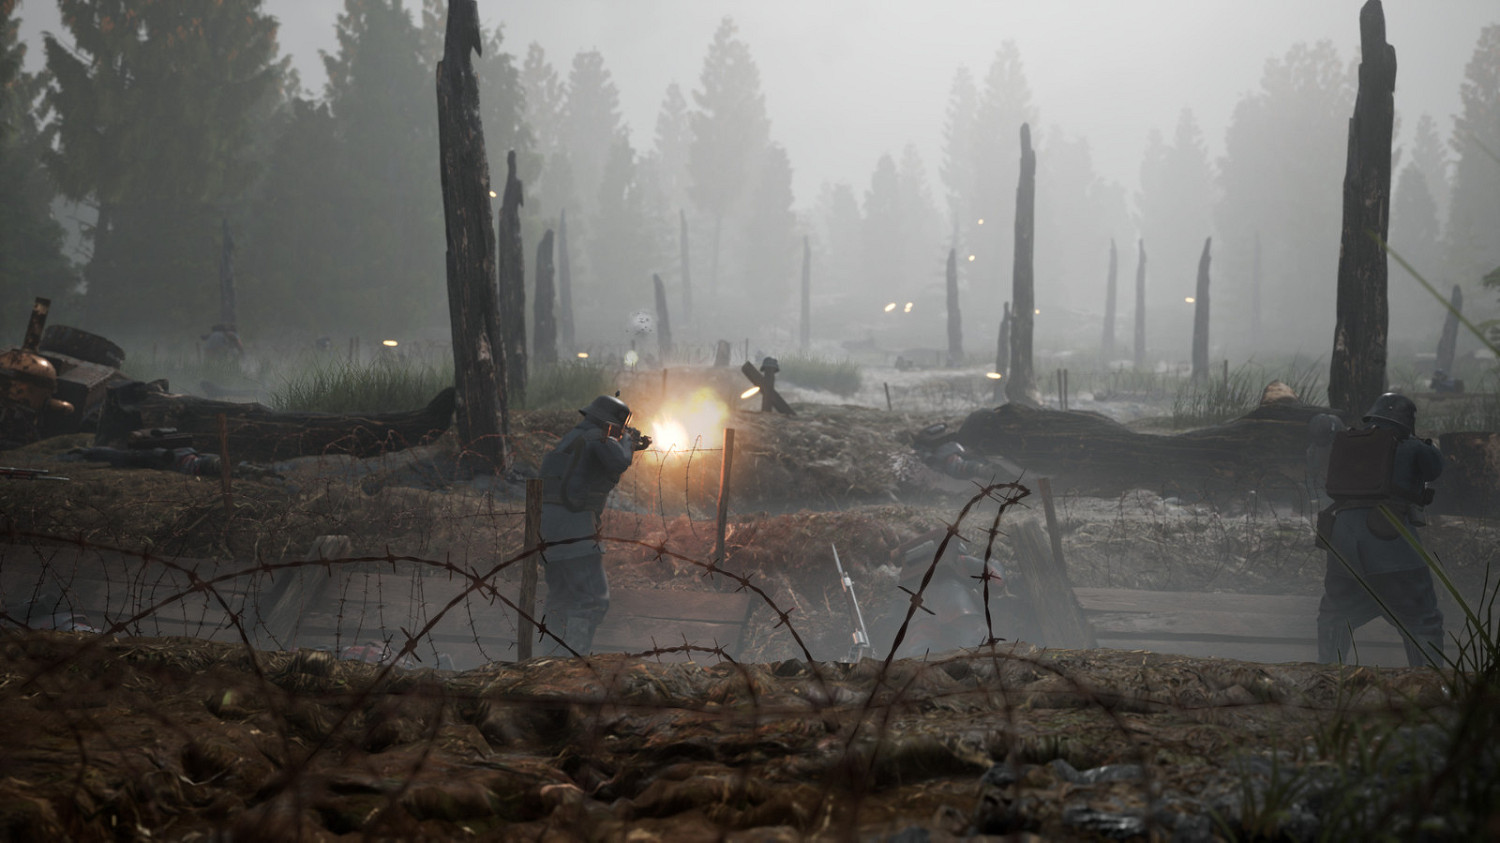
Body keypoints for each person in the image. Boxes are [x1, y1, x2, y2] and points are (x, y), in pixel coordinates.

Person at [1316, 393, 1444, 668]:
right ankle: (1430, 689)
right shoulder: (1411, 447)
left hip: (1343, 545)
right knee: (1422, 620)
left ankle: (1326, 678)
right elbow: (1435, 467)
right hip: (1392, 546)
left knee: (1336, 615)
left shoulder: (1348, 441)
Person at [537, 394, 649, 655]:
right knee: (592, 600)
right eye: (618, 430)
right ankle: (571, 664)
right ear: (610, 425)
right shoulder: (598, 437)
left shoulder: (573, 438)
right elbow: (619, 460)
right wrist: (627, 441)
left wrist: (626, 443)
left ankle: (546, 664)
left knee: (561, 598)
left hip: (548, 531)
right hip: (575, 531)